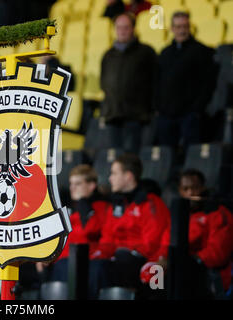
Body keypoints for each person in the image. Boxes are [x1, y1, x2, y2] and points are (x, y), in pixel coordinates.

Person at [141, 169, 233, 299]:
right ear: (180, 191)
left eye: (195, 188)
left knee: (177, 277)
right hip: (177, 268)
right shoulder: (178, 214)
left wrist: (184, 260)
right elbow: (166, 243)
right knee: (154, 275)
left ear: (203, 188)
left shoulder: (217, 213)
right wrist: (162, 260)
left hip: (206, 273)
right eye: (186, 189)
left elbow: (218, 253)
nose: (190, 193)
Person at [89, 153, 170, 299]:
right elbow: (108, 238)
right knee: (89, 265)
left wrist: (122, 251)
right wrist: (101, 253)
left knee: (112, 263)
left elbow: (152, 243)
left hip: (143, 262)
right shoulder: (116, 204)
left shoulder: (151, 203)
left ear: (128, 176)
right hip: (119, 260)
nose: (110, 178)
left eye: (114, 173)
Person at [154, 11, 217, 149]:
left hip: (190, 116)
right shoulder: (165, 53)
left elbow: (208, 84)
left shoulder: (202, 51)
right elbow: (157, 83)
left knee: (190, 155)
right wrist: (159, 107)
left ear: (190, 27)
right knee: (167, 155)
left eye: (185, 26)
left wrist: (196, 109)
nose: (182, 30)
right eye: (178, 27)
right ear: (172, 28)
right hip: (166, 115)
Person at [39, 165, 109, 283]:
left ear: (91, 186)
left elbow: (89, 231)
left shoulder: (101, 207)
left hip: (83, 263)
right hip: (59, 261)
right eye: (71, 184)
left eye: (78, 184)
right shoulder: (67, 208)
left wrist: (83, 204)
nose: (73, 188)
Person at [100, 12, 157, 153]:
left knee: (132, 159)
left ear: (133, 29)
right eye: (119, 28)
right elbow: (104, 81)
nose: (122, 31)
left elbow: (155, 82)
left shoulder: (146, 52)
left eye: (126, 27)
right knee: (116, 159)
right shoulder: (108, 55)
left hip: (136, 118)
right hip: (113, 117)